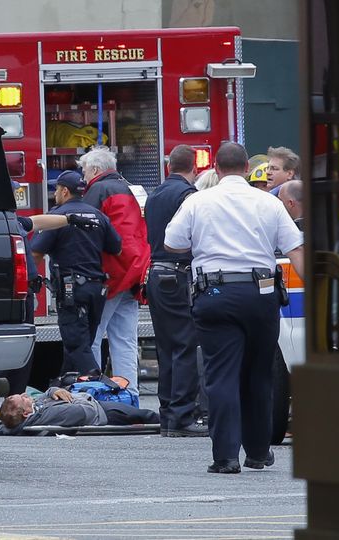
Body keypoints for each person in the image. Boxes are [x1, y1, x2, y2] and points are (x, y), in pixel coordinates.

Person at [164, 142, 303, 474]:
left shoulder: (197, 201)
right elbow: (295, 249)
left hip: (214, 295)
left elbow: (172, 243)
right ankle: (257, 452)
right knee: (258, 374)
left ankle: (225, 457)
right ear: (246, 168)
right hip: (261, 294)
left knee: (221, 375)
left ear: (215, 167)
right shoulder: (268, 203)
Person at [0, 190, 105, 436]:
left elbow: (37, 222)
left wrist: (70, 220)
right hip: (9, 297)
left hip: (23, 298)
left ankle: (17, 413)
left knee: (21, 360)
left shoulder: (9, 218)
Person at [30, 170, 122, 379]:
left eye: (56, 190)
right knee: (82, 343)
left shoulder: (58, 217)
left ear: (64, 191)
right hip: (97, 289)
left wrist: (29, 281)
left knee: (76, 345)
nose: (55, 194)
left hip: (73, 291)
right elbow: (116, 248)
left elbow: (35, 252)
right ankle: (66, 387)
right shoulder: (98, 215)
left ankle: (100, 386)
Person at [144, 145, 208, 438]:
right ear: (194, 167)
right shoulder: (188, 196)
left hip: (156, 274)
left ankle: (168, 414)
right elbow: (194, 237)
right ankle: (182, 416)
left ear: (168, 165)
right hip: (179, 273)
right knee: (185, 344)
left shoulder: (154, 194)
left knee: (166, 346)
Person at [77, 146, 151, 398]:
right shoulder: (129, 187)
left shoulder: (98, 190)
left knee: (93, 336)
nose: (83, 177)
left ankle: (92, 396)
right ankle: (129, 396)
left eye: (84, 171)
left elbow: (86, 232)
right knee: (125, 339)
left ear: (96, 170)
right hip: (134, 271)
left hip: (112, 275)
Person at [0, 386, 159, 434]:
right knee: (146, 415)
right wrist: (78, 398)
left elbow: (46, 393)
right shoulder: (46, 415)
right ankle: (175, 421)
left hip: (91, 404)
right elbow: (81, 413)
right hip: (100, 412)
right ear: (26, 413)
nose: (26, 395)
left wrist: (53, 391)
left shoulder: (33, 411)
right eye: (23, 398)